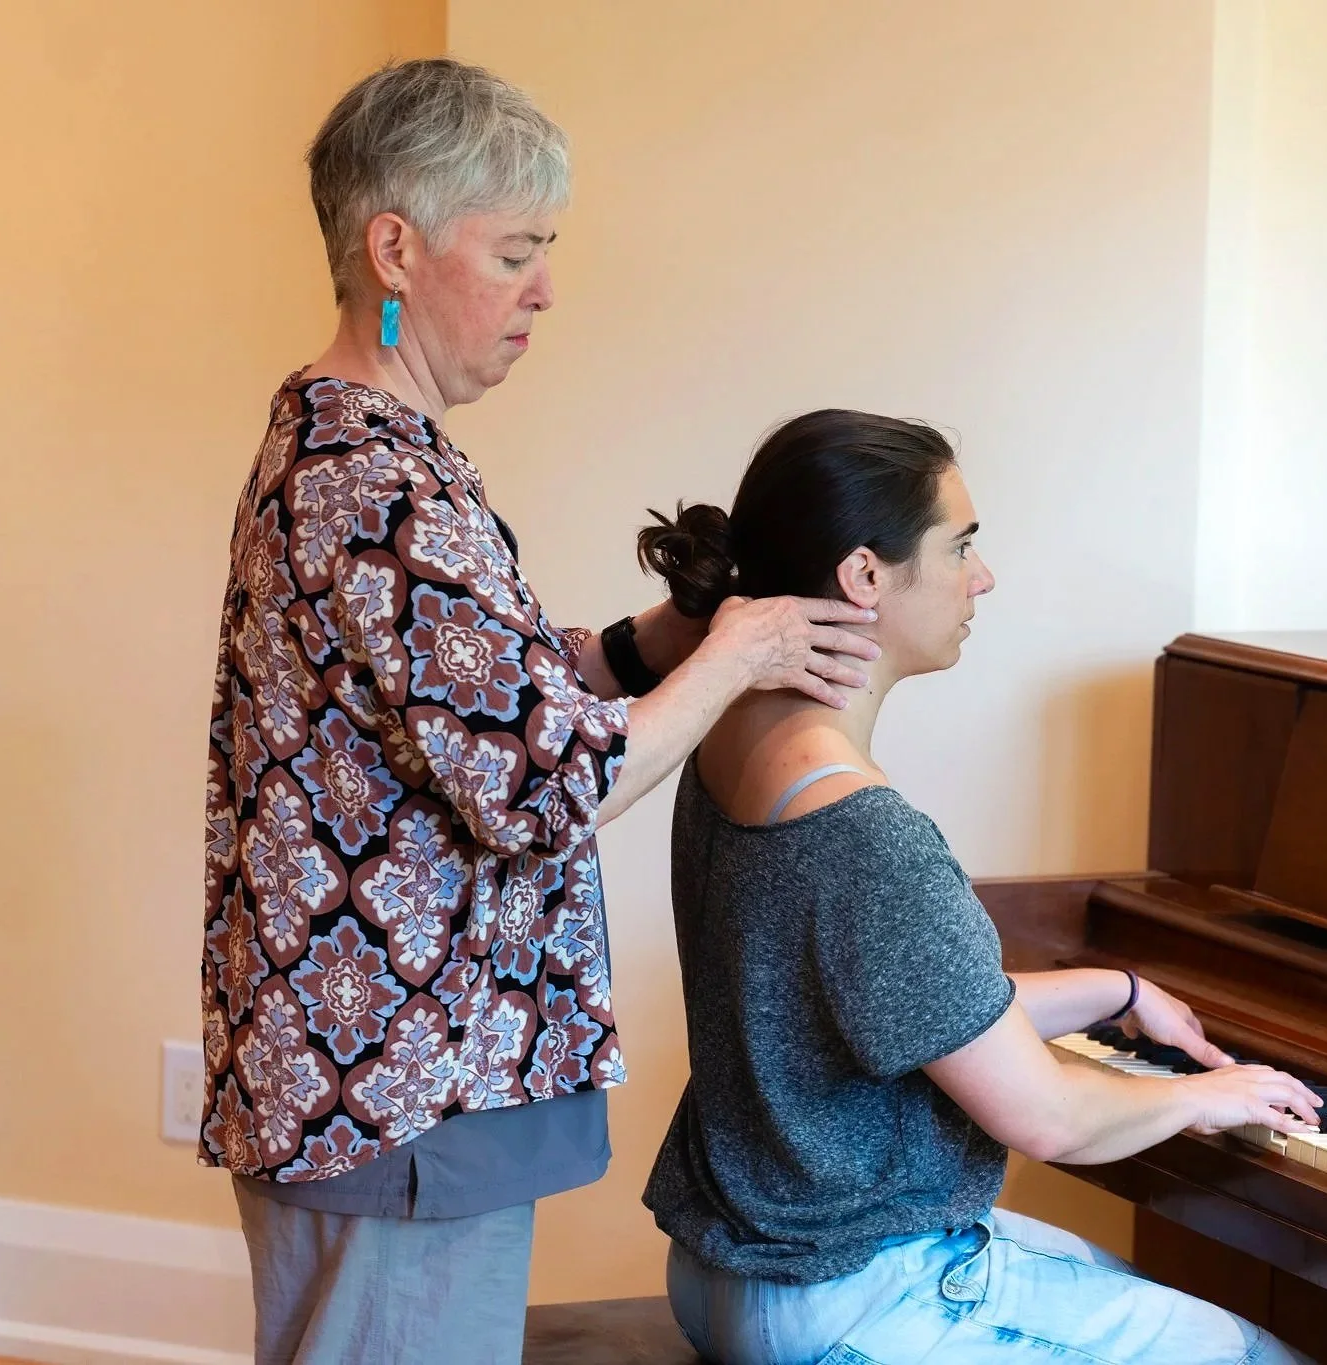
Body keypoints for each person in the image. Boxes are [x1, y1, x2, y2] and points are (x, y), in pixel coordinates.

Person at [199, 60, 879, 1364]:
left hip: (396, 1086)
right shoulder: (372, 480)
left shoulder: (374, 449)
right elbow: (537, 790)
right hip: (393, 1095)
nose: (545, 289)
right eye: (516, 251)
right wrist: (731, 659)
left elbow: (477, 697)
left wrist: (653, 644)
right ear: (393, 247)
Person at [639, 409, 1323, 1365]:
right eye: (961, 545)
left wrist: (1116, 990)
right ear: (865, 575)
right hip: (851, 1298)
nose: (983, 576)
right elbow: (1046, 1115)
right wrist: (1208, 1097)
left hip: (724, 1275)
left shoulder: (725, 741)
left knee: (1121, 1284)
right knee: (1257, 1354)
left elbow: (900, 1007)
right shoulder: (868, 832)